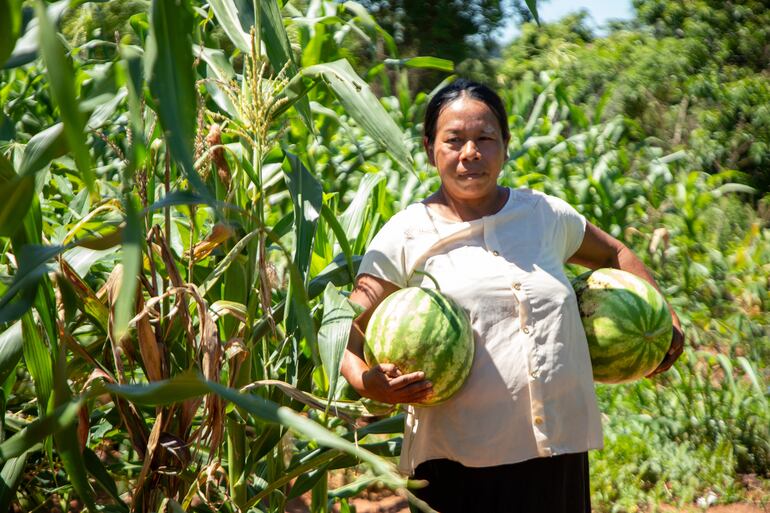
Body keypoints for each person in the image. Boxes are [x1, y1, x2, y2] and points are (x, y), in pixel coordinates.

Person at [340, 78, 685, 513]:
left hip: (555, 450)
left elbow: (616, 253)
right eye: (454, 140)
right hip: (458, 460)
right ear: (430, 149)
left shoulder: (543, 215)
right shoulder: (407, 233)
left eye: (485, 138)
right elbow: (344, 325)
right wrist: (365, 381)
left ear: (505, 143)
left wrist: (665, 319)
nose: (471, 153)